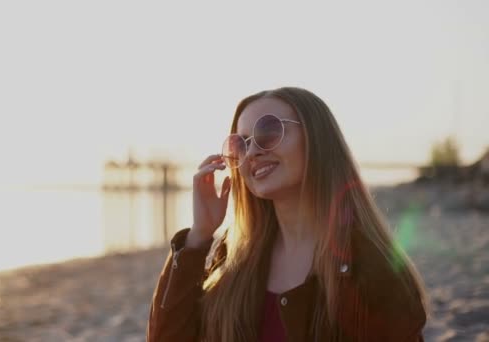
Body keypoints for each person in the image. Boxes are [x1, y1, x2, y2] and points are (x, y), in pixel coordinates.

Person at [146, 87, 429, 341]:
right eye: (241, 144)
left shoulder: (370, 266)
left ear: (316, 140)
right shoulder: (232, 259)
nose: (253, 151)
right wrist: (199, 236)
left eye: (269, 132)